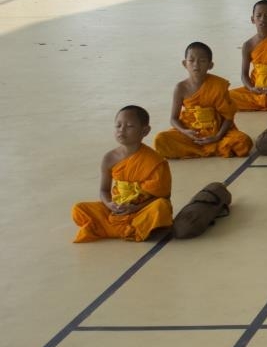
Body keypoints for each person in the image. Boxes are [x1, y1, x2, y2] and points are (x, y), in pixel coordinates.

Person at [72, 106, 174, 243]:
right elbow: (103, 190)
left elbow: (164, 196)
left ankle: (112, 229)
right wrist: (109, 204)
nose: (122, 130)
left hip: (141, 210)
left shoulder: (155, 162)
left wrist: (135, 208)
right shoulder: (109, 158)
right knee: (79, 209)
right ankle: (130, 229)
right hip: (117, 210)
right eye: (118, 125)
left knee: (161, 207)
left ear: (145, 131)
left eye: (129, 126)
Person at [153, 42, 253, 159]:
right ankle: (213, 149)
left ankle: (204, 148)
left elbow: (228, 117)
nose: (196, 65)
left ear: (210, 65)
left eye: (202, 61)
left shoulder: (218, 85)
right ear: (185, 64)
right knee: (161, 140)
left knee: (243, 142)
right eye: (191, 60)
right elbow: (173, 119)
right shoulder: (180, 88)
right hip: (192, 134)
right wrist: (185, 132)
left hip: (218, 132)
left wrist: (218, 136)